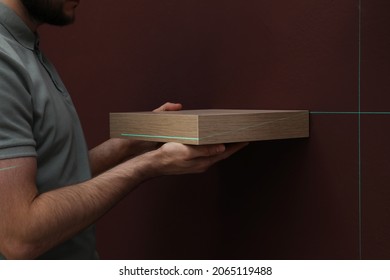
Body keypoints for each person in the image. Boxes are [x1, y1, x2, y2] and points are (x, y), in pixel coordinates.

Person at [0, 0, 247, 260]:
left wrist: (128, 144)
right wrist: (149, 164)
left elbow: (53, 179)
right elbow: (18, 238)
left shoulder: (23, 48)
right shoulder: (4, 60)